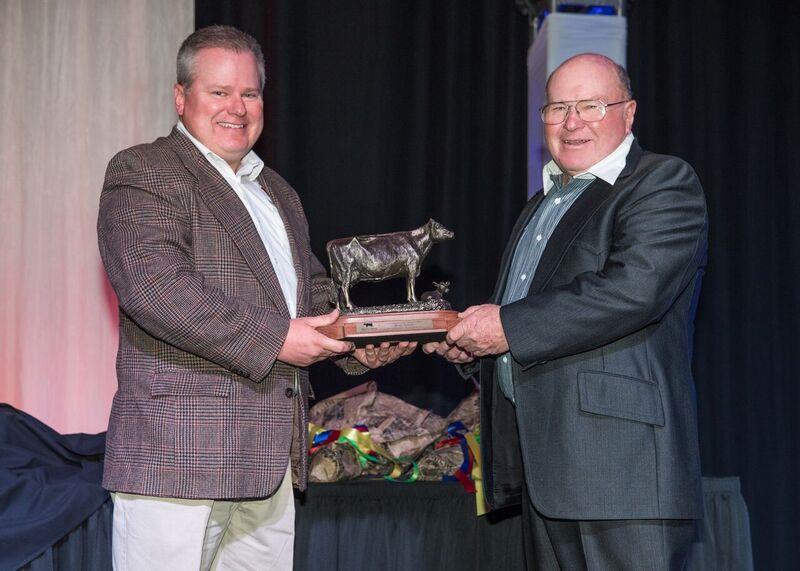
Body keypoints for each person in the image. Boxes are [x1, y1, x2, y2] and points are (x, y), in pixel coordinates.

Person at [97, 25, 413, 570]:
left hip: (270, 466)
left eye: (249, 93)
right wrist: (277, 339)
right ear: (181, 97)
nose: (237, 108)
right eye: (219, 91)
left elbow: (313, 294)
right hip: (179, 459)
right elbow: (155, 288)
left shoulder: (278, 192)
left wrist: (360, 342)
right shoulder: (145, 169)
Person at [424, 53, 707, 570]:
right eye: (557, 108)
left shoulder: (662, 182)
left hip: (623, 475)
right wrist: (472, 346)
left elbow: (633, 291)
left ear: (629, 112)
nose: (572, 122)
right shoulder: (541, 205)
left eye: (591, 105)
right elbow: (533, 324)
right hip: (547, 474)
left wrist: (505, 327)